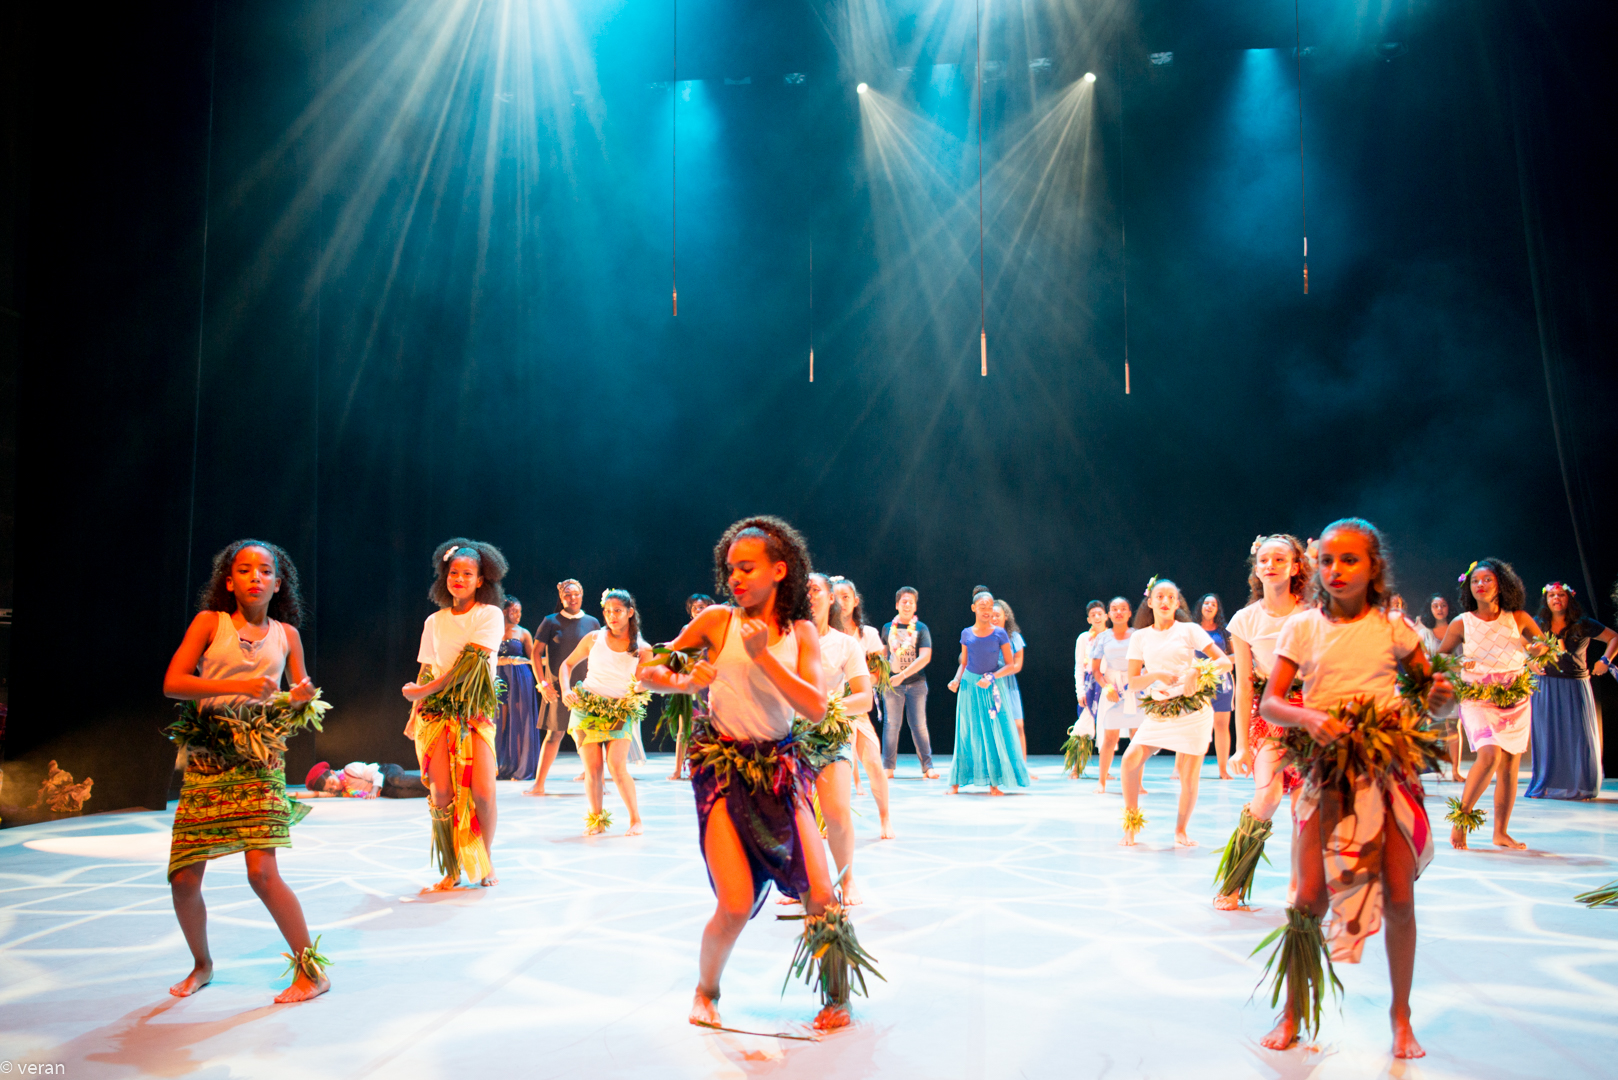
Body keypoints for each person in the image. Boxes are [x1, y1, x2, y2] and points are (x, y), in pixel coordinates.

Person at [636, 516, 872, 1032]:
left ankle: (837, 997)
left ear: (779, 570)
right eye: (731, 570)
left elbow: (814, 706)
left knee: (821, 894)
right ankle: (706, 990)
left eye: (747, 568)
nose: (735, 579)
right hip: (722, 774)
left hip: (780, 774)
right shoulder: (715, 622)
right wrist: (680, 680)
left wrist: (764, 657)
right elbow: (648, 669)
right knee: (736, 903)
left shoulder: (800, 632)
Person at [1257, 518, 1452, 1059]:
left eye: (1349, 560)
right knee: (1308, 899)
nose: (1336, 570)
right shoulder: (1302, 627)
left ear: (1374, 567)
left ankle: (1400, 1015)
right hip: (1327, 771)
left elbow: (1434, 699)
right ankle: (1292, 1009)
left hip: (1386, 772)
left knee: (1400, 898)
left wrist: (1440, 699)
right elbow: (1271, 702)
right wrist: (1307, 716)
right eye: (1326, 560)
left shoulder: (1394, 628)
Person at [162, 539, 329, 1003]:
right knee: (183, 879)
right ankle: (202, 965)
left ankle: (311, 973)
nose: (256, 576)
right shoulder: (209, 623)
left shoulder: (287, 635)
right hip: (208, 758)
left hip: (260, 760)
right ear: (230, 581)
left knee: (262, 873)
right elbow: (174, 683)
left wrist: (301, 698)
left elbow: (298, 693)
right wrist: (238, 685)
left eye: (265, 570)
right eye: (245, 569)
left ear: (278, 584)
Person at [402, 539, 507, 890]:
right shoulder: (434, 621)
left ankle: (484, 859)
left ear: (481, 580)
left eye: (467, 574)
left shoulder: (489, 615)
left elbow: (468, 667)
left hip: (474, 712)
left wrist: (422, 692)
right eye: (453, 573)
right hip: (435, 714)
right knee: (441, 794)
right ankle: (452, 867)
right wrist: (415, 710)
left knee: (483, 793)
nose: (459, 579)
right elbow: (427, 669)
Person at [1215, 534, 1311, 911]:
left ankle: (1300, 888)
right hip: (1269, 714)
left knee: (1305, 807)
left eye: (1280, 559)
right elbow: (1243, 687)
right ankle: (1234, 882)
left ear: (1295, 567)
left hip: (1309, 712)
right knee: (1268, 796)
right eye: (1265, 559)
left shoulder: (1311, 613)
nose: (1271, 564)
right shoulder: (1245, 619)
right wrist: (1241, 745)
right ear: (1256, 568)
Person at [1438, 558, 1547, 850]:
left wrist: (1537, 650)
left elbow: (1541, 646)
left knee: (1509, 766)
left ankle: (1501, 832)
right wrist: (1459, 661)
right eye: (1475, 581)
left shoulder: (1518, 618)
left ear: (1501, 584)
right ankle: (1461, 820)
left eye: (1487, 579)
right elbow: (1442, 655)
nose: (1480, 585)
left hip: (1515, 698)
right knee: (1489, 756)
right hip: (1478, 697)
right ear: (1468, 587)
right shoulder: (1461, 622)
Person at [1119, 578, 1229, 846]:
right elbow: (1133, 682)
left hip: (1193, 711)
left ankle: (1181, 831)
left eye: (1171, 597)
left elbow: (1224, 662)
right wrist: (1155, 674)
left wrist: (1197, 671)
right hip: (1160, 709)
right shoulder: (1140, 637)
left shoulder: (1189, 630)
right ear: (1150, 602)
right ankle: (1131, 827)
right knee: (1129, 761)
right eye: (1160, 596)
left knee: (1189, 777)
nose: (1165, 601)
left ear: (1177, 603)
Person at [804, 573, 878, 901]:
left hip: (831, 736)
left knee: (836, 814)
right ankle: (800, 883)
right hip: (791, 737)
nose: (809, 595)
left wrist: (827, 708)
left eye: (815, 590)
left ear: (830, 597)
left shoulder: (846, 644)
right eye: (803, 590)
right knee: (796, 816)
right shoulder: (784, 640)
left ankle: (847, 880)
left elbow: (864, 698)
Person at [559, 589, 650, 836]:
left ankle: (636, 820)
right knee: (593, 769)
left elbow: (643, 682)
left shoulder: (642, 648)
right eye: (608, 611)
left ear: (630, 612)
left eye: (618, 611)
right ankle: (596, 821)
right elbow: (566, 665)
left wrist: (642, 686)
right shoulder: (593, 638)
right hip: (586, 708)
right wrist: (566, 689)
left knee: (616, 766)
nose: (612, 616)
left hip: (620, 710)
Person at [1526, 582, 1614, 800]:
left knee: (1578, 737)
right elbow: (1520, 643)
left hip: (1575, 684)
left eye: (1561, 595)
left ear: (1569, 598)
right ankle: (1547, 784)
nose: (1556, 598)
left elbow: (1614, 637)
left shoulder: (1583, 623)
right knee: (1548, 736)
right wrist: (1530, 662)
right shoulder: (1538, 623)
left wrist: (1605, 660)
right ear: (1546, 600)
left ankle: (1582, 785)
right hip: (1546, 684)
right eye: (1552, 595)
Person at [946, 591, 1029, 794]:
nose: (987, 611)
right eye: (982, 607)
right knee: (966, 733)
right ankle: (956, 783)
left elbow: (1010, 665)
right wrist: (956, 680)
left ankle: (994, 784)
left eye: (990, 607)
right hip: (969, 687)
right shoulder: (966, 633)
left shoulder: (999, 633)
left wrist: (992, 678)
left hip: (992, 687)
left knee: (994, 733)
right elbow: (964, 663)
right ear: (974, 608)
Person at [830, 576, 893, 835]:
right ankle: (828, 821)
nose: (841, 602)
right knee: (834, 768)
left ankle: (885, 817)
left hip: (856, 708)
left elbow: (878, 674)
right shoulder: (824, 633)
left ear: (856, 601)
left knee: (874, 763)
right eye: (836, 597)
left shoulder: (868, 634)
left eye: (846, 597)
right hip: (830, 711)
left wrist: (858, 684)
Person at [526, 580, 602, 796]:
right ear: (561, 597)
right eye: (567, 594)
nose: (572, 598)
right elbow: (535, 654)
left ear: (582, 595)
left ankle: (598, 783)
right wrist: (543, 684)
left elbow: (599, 653)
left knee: (591, 735)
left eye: (576, 593)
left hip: (586, 688)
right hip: (558, 688)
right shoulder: (551, 621)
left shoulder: (592, 622)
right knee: (554, 734)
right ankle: (539, 784)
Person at [882, 587, 938, 779]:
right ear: (897, 605)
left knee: (919, 725)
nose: (907, 605)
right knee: (891, 725)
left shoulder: (921, 628)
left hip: (916, 683)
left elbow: (925, 657)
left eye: (911, 602)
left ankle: (928, 767)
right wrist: (882, 677)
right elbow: (883, 656)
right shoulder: (887, 628)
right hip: (892, 684)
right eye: (904, 602)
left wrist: (903, 675)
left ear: (915, 606)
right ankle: (888, 768)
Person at [1088, 596, 1137, 793]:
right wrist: (1107, 687)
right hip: (1112, 688)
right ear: (1109, 614)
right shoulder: (1103, 638)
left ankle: (1137, 782)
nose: (1119, 612)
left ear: (1129, 613)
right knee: (1110, 737)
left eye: (1123, 608)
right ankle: (1101, 781)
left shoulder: (1137, 635)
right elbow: (1095, 670)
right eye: (1114, 609)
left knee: (1137, 737)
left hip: (1134, 687)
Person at [665, 593, 715, 781]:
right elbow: (677, 655)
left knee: (709, 728)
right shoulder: (687, 630)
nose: (698, 610)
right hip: (691, 683)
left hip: (711, 683)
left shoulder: (716, 630)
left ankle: (706, 769)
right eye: (695, 608)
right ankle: (678, 769)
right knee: (684, 727)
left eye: (702, 607)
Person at [495, 596, 541, 781]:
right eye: (514, 611)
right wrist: (508, 660)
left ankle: (522, 768)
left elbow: (534, 659)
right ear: (504, 611)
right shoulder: (493, 630)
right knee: (498, 721)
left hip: (520, 678)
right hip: (498, 678)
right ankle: (498, 766)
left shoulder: (523, 633)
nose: (518, 615)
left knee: (519, 720)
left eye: (519, 611)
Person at [1423, 593, 1463, 779]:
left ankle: (1455, 771)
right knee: (1426, 724)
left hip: (1453, 682)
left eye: (1443, 605)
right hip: (1432, 683)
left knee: (1453, 726)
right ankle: (1421, 768)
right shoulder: (1425, 633)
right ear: (1430, 609)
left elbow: (1464, 657)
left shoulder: (1458, 629)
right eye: (1435, 606)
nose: (1439, 609)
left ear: (1449, 607)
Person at [1197, 593, 1235, 779]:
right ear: (1200, 606)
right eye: (1206, 603)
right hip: (1197, 682)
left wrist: (1217, 664)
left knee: (1221, 725)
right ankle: (1180, 770)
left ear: (1218, 609)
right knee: (1193, 726)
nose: (1209, 606)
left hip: (1222, 683)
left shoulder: (1225, 632)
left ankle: (1223, 770)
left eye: (1213, 604)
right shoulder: (1192, 630)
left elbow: (1237, 656)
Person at [1068, 601, 1107, 777]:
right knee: (1084, 725)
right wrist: (1080, 691)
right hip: (1091, 685)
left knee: (1108, 727)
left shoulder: (1112, 636)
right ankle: (1076, 767)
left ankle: (1105, 770)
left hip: (1109, 683)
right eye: (1093, 615)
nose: (1097, 617)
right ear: (1088, 619)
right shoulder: (1084, 638)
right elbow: (1079, 666)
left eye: (1100, 614)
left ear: (1106, 616)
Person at [992, 599, 1032, 767]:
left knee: (1018, 725)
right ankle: (998, 766)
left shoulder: (1014, 637)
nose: (994, 618)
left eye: (997, 615)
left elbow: (1017, 665)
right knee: (996, 726)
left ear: (1006, 616)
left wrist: (998, 674)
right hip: (990, 686)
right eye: (991, 615)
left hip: (1008, 684)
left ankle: (1022, 767)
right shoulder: (984, 636)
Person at [305, 761, 428, 798]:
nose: (335, 787)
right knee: (398, 793)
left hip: (386, 772)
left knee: (396, 780)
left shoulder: (349, 769)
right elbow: (317, 794)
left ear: (333, 773)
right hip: (383, 790)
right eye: (330, 789)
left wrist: (373, 792)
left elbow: (378, 775)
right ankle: (431, 792)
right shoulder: (343, 792)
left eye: (332, 782)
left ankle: (432, 783)